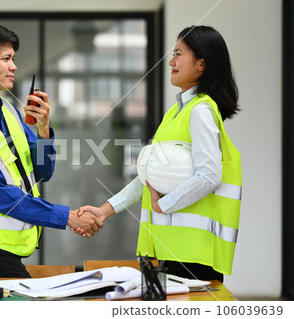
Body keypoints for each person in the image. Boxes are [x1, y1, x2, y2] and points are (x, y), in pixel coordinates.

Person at [76, 25, 241, 282]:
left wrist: (162, 204)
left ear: (201, 64)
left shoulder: (200, 111)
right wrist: (105, 210)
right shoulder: (176, 113)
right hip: (175, 249)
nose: (171, 62)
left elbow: (210, 175)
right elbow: (150, 177)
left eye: (178, 53)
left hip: (193, 254)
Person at [0, 23, 103, 278]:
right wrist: (67, 217)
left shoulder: (9, 111)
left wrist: (44, 130)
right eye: (6, 59)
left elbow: (41, 171)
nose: (14, 66)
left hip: (4, 247)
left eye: (13, 59)